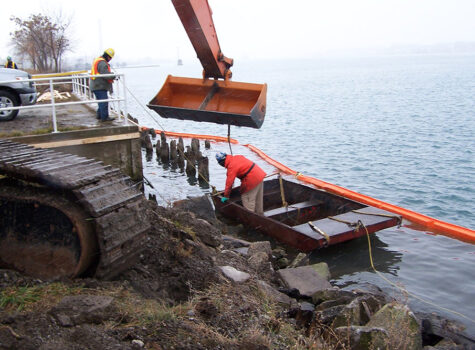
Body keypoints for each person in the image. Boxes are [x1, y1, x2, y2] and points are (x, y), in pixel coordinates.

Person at [90, 48, 116, 122]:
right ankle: (104, 118)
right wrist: (113, 75)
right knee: (103, 102)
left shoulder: (97, 60)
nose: (110, 59)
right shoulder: (102, 63)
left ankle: (99, 115)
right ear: (108, 57)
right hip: (99, 86)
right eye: (110, 58)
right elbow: (106, 75)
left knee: (100, 102)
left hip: (95, 85)